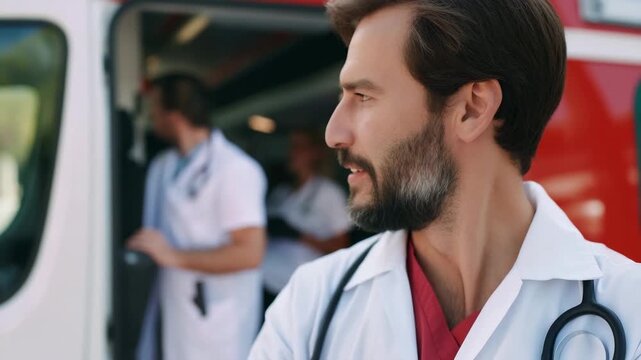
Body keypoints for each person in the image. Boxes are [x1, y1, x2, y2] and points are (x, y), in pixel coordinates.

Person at [249, 1, 641, 359]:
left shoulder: (630, 310)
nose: (334, 133)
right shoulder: (310, 304)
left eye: (363, 96)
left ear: (472, 109)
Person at [127, 73, 267, 360]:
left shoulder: (235, 169)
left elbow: (249, 253)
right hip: (173, 309)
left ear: (174, 115)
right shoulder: (163, 165)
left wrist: (173, 256)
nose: (151, 116)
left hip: (216, 321)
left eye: (155, 107)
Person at [263, 129, 351, 296]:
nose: (292, 152)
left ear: (315, 153)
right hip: (264, 279)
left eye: (298, 146)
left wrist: (299, 236)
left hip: (296, 288)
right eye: (291, 147)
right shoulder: (281, 193)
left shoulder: (328, 193)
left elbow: (341, 246)